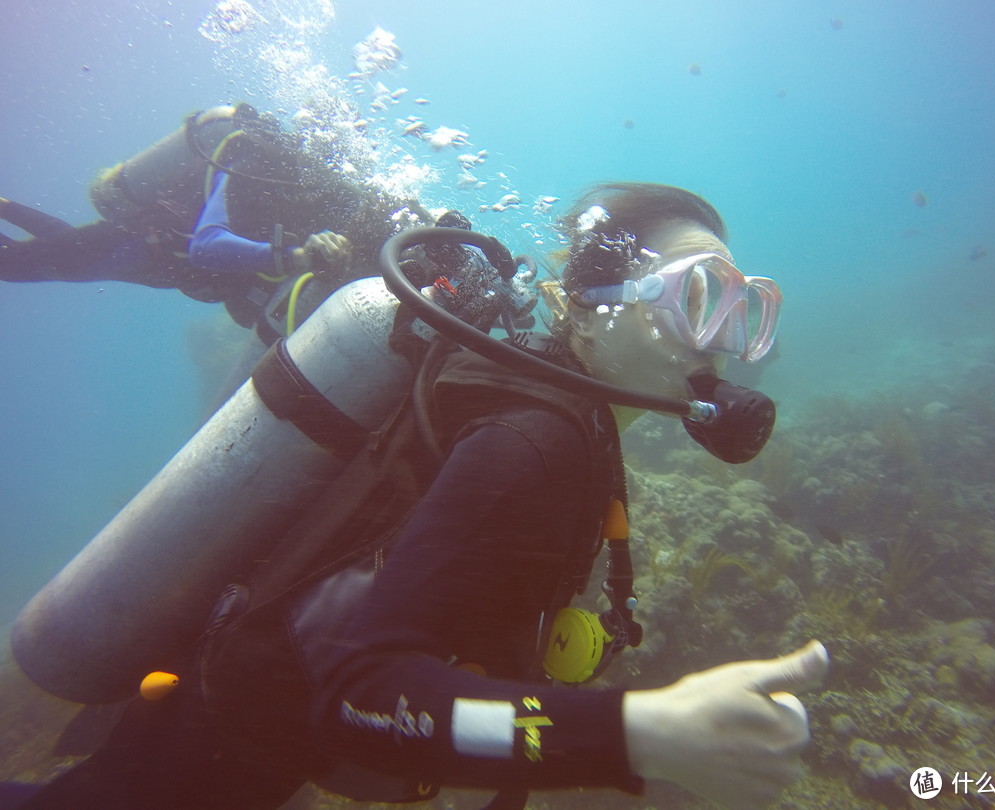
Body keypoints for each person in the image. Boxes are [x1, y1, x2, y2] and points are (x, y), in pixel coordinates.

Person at [15, 182, 827, 810]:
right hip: (220, 743)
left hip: (231, 725)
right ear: (590, 302)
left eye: (745, 310)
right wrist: (635, 734)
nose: (725, 341)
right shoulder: (532, 440)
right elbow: (358, 697)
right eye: (699, 298)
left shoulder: (553, 412)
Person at [0, 103, 426, 337]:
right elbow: (206, 245)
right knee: (21, 264)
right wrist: (299, 256)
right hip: (150, 243)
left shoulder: (320, 194)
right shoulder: (251, 153)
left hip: (167, 266)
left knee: (65, 255)